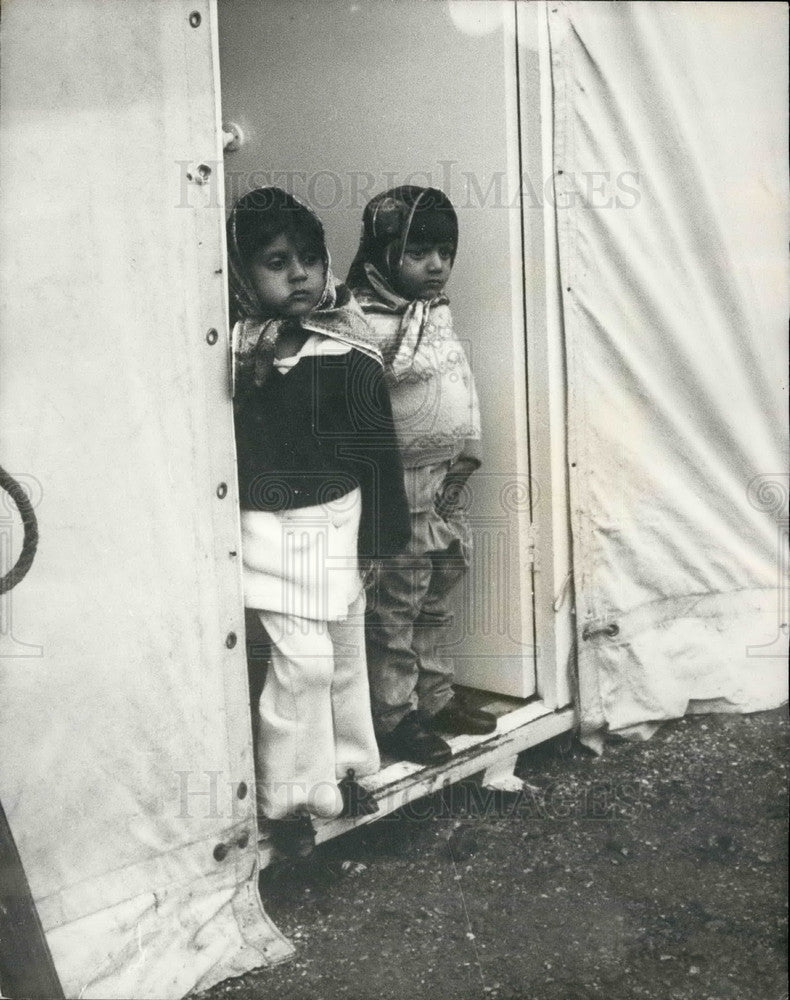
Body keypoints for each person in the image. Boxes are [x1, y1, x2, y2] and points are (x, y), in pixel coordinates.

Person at [228, 187, 410, 858]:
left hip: (338, 524)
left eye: (309, 258)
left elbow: (377, 451)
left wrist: (383, 535)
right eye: (277, 262)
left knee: (342, 655)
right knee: (300, 662)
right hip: (267, 534)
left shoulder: (349, 350)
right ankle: (288, 800)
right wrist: (249, 373)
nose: (299, 274)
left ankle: (350, 768)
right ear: (243, 274)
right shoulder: (235, 359)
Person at [347, 186, 496, 768]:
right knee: (396, 603)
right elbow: (357, 411)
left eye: (445, 251)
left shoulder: (435, 315)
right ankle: (394, 716)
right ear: (383, 255)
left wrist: (470, 449)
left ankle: (435, 699)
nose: (437, 265)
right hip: (399, 482)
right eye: (418, 253)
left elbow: (461, 379)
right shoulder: (363, 323)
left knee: (438, 589)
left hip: (445, 479)